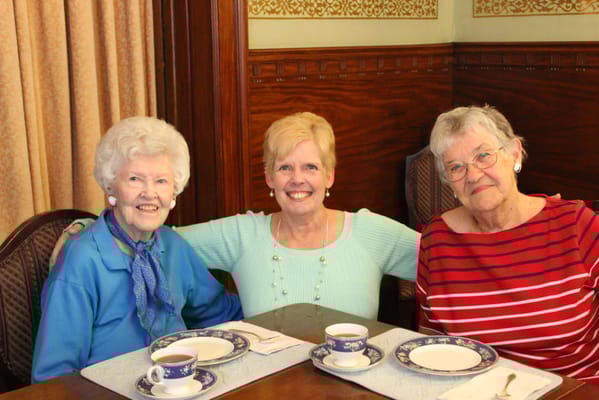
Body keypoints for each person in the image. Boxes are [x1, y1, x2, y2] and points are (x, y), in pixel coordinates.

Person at [55, 112, 419, 320]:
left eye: (310, 166)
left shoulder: (369, 231)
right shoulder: (244, 234)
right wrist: (90, 229)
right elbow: (160, 235)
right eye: (284, 167)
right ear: (268, 178)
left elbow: (445, 255)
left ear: (330, 176)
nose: (297, 180)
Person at [32, 117, 242, 383]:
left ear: (174, 192)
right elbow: (53, 376)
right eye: (135, 179)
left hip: (179, 388)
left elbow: (221, 313)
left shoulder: (172, 246)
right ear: (111, 186)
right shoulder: (82, 259)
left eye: (161, 181)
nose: (150, 193)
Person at [416, 105, 599, 383]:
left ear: (514, 153)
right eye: (456, 167)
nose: (474, 175)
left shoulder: (577, 225)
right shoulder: (437, 241)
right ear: (449, 183)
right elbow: (432, 341)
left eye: (484, 156)